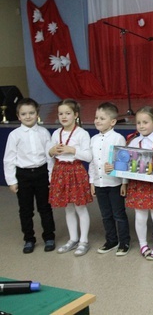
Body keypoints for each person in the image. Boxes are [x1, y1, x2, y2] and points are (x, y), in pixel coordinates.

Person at [3, 98, 55, 254]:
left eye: (31, 113)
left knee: (45, 207)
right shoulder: (14, 135)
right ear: (18, 116)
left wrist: (51, 177)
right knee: (25, 209)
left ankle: (49, 236)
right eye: (24, 114)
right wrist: (12, 181)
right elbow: (9, 158)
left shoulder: (44, 132)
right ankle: (29, 239)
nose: (28, 116)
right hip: (23, 175)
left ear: (37, 114)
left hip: (41, 173)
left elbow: (49, 156)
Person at [124, 106, 153, 260]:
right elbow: (126, 164)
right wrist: (124, 182)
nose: (141, 126)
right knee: (140, 215)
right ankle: (143, 244)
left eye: (145, 122)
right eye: (138, 123)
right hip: (138, 184)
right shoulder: (134, 142)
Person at [48, 99, 93, 256]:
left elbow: (88, 156)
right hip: (60, 171)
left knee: (80, 207)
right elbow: (50, 156)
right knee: (68, 207)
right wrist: (51, 151)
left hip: (75, 171)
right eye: (60, 113)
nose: (64, 116)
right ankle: (73, 239)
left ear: (75, 115)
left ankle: (84, 241)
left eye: (67, 113)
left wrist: (72, 150)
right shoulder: (56, 133)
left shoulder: (82, 133)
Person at [89, 102, 131, 256]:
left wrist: (124, 183)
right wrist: (92, 181)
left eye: (102, 118)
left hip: (114, 183)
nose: (97, 121)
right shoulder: (93, 139)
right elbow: (92, 162)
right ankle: (111, 240)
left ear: (112, 122)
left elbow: (124, 161)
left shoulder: (118, 138)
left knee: (119, 214)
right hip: (100, 183)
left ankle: (124, 241)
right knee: (105, 214)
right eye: (96, 118)